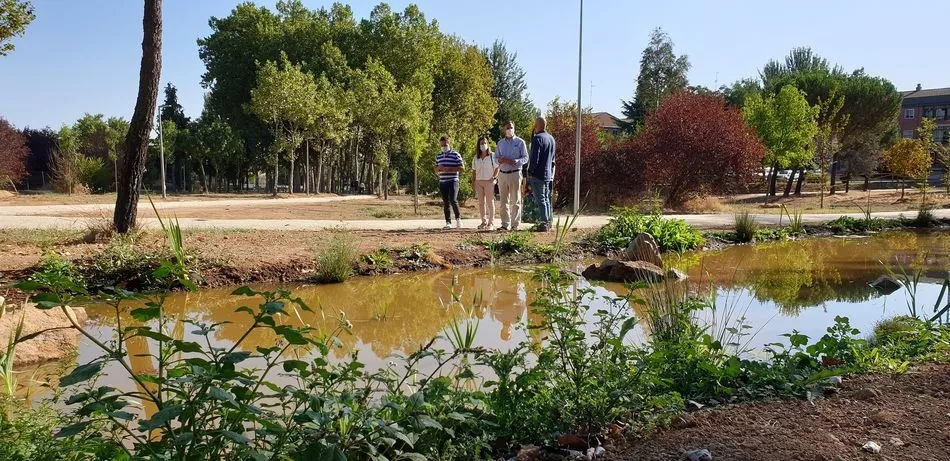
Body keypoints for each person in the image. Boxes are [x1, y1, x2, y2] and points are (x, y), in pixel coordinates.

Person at [495, 120, 529, 231]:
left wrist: (515, 161)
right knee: (503, 201)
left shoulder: (520, 142)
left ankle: (515, 225)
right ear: (504, 130)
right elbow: (495, 159)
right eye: (507, 128)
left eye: (511, 127)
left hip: (515, 173)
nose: (510, 129)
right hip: (502, 174)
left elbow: (525, 158)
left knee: (516, 200)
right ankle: (505, 224)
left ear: (514, 128)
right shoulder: (500, 143)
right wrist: (501, 160)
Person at [528, 116, 556, 231]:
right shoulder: (551, 139)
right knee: (546, 198)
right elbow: (553, 157)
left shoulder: (537, 138)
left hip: (538, 174)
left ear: (537, 125)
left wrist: (530, 171)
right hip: (548, 173)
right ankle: (549, 222)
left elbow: (535, 157)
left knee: (541, 199)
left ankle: (544, 223)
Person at [434, 136, 464, 229]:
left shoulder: (455, 155)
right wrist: (438, 169)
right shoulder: (439, 156)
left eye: (445, 145)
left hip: (453, 180)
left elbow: (462, 168)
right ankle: (448, 222)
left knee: (453, 199)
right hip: (443, 181)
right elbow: (435, 168)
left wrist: (449, 169)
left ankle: (458, 219)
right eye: (442, 145)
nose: (444, 147)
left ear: (449, 143)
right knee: (446, 202)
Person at [471, 136, 498, 230]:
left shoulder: (492, 156)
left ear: (488, 144)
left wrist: (494, 177)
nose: (483, 145)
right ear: (478, 145)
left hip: (489, 181)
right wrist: (473, 182)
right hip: (478, 181)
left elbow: (497, 167)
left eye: (485, 143)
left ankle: (491, 223)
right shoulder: (476, 157)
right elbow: (474, 171)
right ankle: (483, 222)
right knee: (481, 203)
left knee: (490, 202)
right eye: (481, 143)